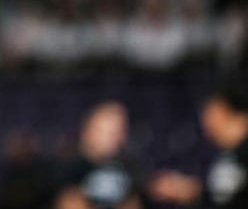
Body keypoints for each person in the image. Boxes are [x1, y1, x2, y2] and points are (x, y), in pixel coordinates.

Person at [150, 77, 248, 208]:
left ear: (221, 107)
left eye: (208, 109)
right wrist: (190, 191)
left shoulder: (242, 154)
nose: (203, 119)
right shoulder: (227, 154)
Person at [52, 101, 143, 209]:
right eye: (108, 132)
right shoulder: (68, 168)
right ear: (88, 130)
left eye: (119, 131)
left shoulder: (129, 167)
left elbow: (134, 201)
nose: (116, 138)